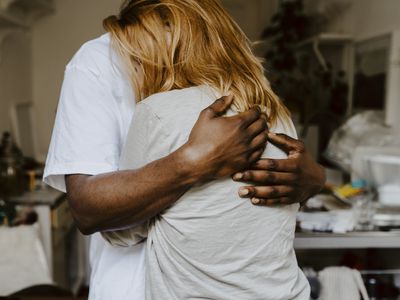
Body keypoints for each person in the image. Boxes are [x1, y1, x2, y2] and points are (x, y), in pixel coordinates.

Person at [43, 1, 325, 299]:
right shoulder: (274, 110)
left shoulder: (156, 111)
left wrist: (315, 180)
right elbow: (87, 208)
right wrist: (192, 162)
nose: (138, 69)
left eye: (140, 61)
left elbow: (121, 232)